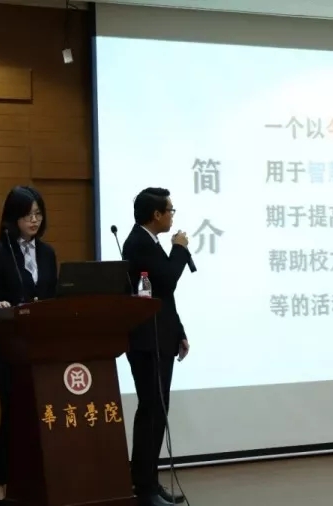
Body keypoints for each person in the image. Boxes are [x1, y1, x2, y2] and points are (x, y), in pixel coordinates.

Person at [0, 186, 58, 505]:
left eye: (38, 214)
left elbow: (54, 296)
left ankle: (37, 483)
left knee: (45, 417)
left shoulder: (47, 253)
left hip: (44, 349)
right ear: (13, 218)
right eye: (27, 215)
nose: (34, 220)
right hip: (11, 349)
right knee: (13, 416)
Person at [121, 188, 191, 506]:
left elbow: (163, 295)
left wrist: (179, 332)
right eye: (170, 210)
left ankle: (150, 482)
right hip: (146, 341)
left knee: (157, 411)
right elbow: (169, 279)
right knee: (150, 411)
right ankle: (144, 488)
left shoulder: (149, 242)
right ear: (156, 215)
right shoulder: (138, 243)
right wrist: (180, 249)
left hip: (160, 336)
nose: (172, 216)